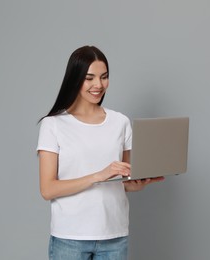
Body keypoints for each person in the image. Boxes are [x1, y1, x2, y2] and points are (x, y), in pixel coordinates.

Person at [36, 45, 164, 259]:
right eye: (90, 78)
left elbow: (122, 182)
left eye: (104, 77)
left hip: (114, 235)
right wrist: (98, 176)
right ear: (75, 79)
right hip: (70, 237)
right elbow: (48, 189)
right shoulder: (53, 125)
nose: (98, 85)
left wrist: (136, 184)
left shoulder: (120, 122)